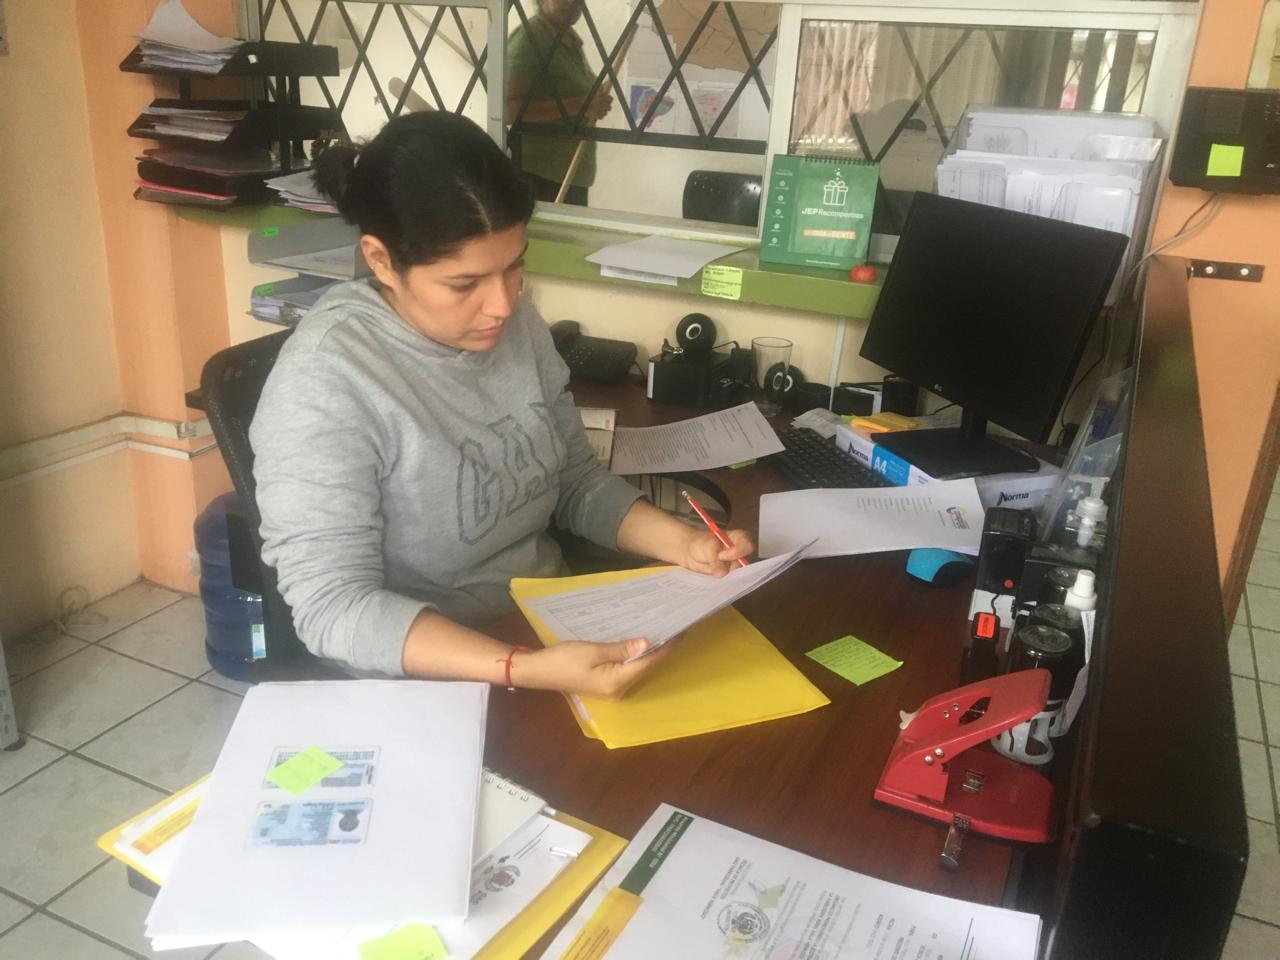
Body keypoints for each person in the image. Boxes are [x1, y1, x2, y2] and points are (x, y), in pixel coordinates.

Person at [250, 112, 752, 699]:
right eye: (464, 285)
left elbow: (574, 482)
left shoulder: (517, 328)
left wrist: (684, 544)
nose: (503, 306)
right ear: (381, 260)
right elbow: (333, 607)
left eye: (515, 267)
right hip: (434, 681)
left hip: (550, 629)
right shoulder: (326, 382)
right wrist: (521, 669)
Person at [505, 0, 611, 205]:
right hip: (540, 176)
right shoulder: (531, 37)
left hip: (571, 173)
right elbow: (507, 108)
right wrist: (583, 105)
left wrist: (596, 100)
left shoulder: (569, 38)